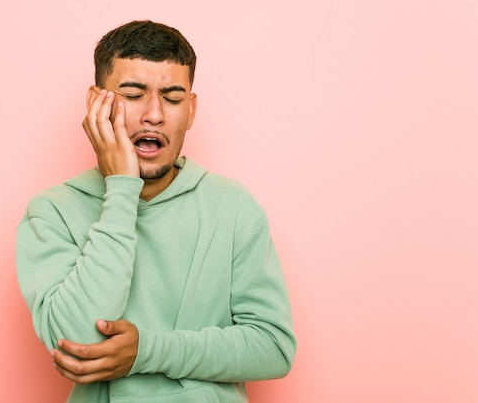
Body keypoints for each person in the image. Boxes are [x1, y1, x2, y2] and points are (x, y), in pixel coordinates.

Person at [16, 20, 296, 403]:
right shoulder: (52, 212)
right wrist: (122, 191)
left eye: (173, 98)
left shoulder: (233, 206)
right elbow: (78, 342)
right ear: (96, 103)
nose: (154, 115)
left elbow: (273, 347)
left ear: (191, 110)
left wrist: (146, 351)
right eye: (133, 94)